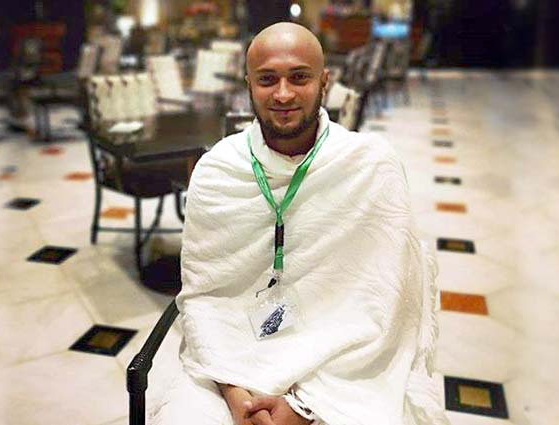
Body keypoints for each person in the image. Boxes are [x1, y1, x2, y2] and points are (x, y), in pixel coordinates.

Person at [148, 22, 448, 425]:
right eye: (267, 79)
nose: (283, 94)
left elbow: (385, 305)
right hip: (232, 359)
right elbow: (203, 297)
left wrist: (304, 408)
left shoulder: (371, 165)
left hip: (345, 367)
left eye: (299, 77)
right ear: (248, 85)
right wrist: (236, 394)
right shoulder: (217, 170)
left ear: (325, 81)